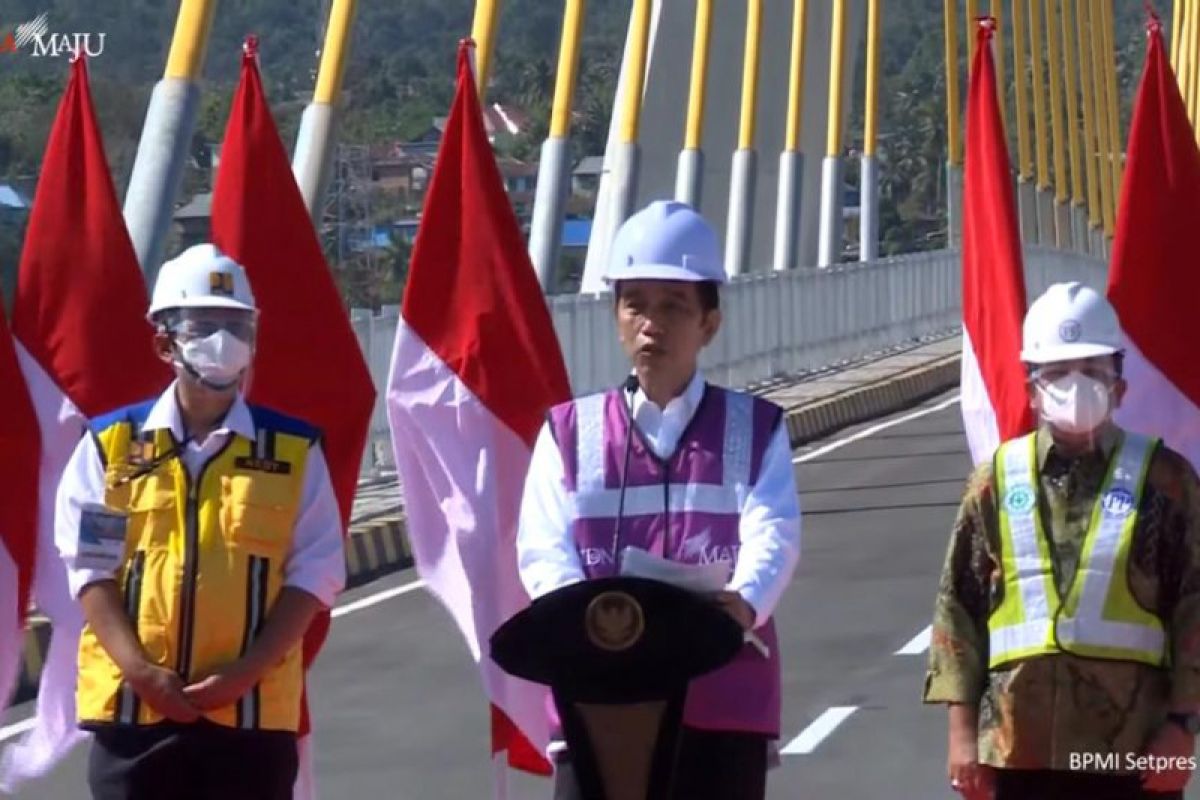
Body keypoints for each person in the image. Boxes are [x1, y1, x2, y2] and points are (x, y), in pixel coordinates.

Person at [516, 200, 802, 800]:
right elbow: (543, 550)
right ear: (616, 316)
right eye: (636, 304)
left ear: (709, 323)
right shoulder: (569, 432)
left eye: (674, 306)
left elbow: (773, 532)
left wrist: (744, 607)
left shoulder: (756, 429)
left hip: (721, 698)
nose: (652, 323)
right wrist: (587, 623)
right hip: (597, 697)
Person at [55, 244, 346, 799]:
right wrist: (141, 672)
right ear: (165, 342)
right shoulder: (110, 445)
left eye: (239, 325)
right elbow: (90, 569)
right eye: (206, 324)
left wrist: (246, 672)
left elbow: (317, 572)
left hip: (251, 719)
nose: (225, 340)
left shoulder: (293, 450)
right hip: (133, 717)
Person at [924, 281, 1200, 800]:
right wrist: (962, 736)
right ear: (1031, 387)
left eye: (1093, 371)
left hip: (1132, 753)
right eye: (1057, 373)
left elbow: (1195, 607)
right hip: (1015, 750)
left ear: (1120, 383)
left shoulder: (1168, 481)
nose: (1076, 386)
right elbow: (957, 609)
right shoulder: (996, 483)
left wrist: (1183, 729)